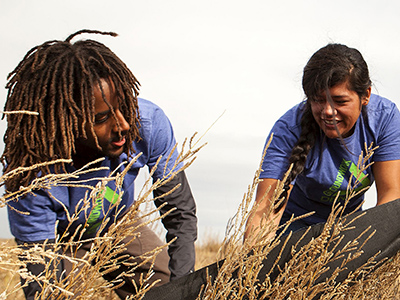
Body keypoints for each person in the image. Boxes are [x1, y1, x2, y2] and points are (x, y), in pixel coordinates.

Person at [2, 29, 197, 299]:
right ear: (67, 122)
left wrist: (181, 288)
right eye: (101, 118)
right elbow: (41, 282)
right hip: (62, 239)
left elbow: (180, 212)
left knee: (162, 284)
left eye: (123, 107)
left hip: (118, 221)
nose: (123, 125)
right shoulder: (32, 173)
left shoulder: (148, 123)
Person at [245, 43, 400, 239]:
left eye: (340, 101)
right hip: (293, 229)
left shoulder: (384, 118)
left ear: (365, 95)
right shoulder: (288, 129)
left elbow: (390, 198)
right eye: (318, 100)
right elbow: (265, 212)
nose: (327, 111)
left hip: (347, 225)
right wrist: (250, 266)